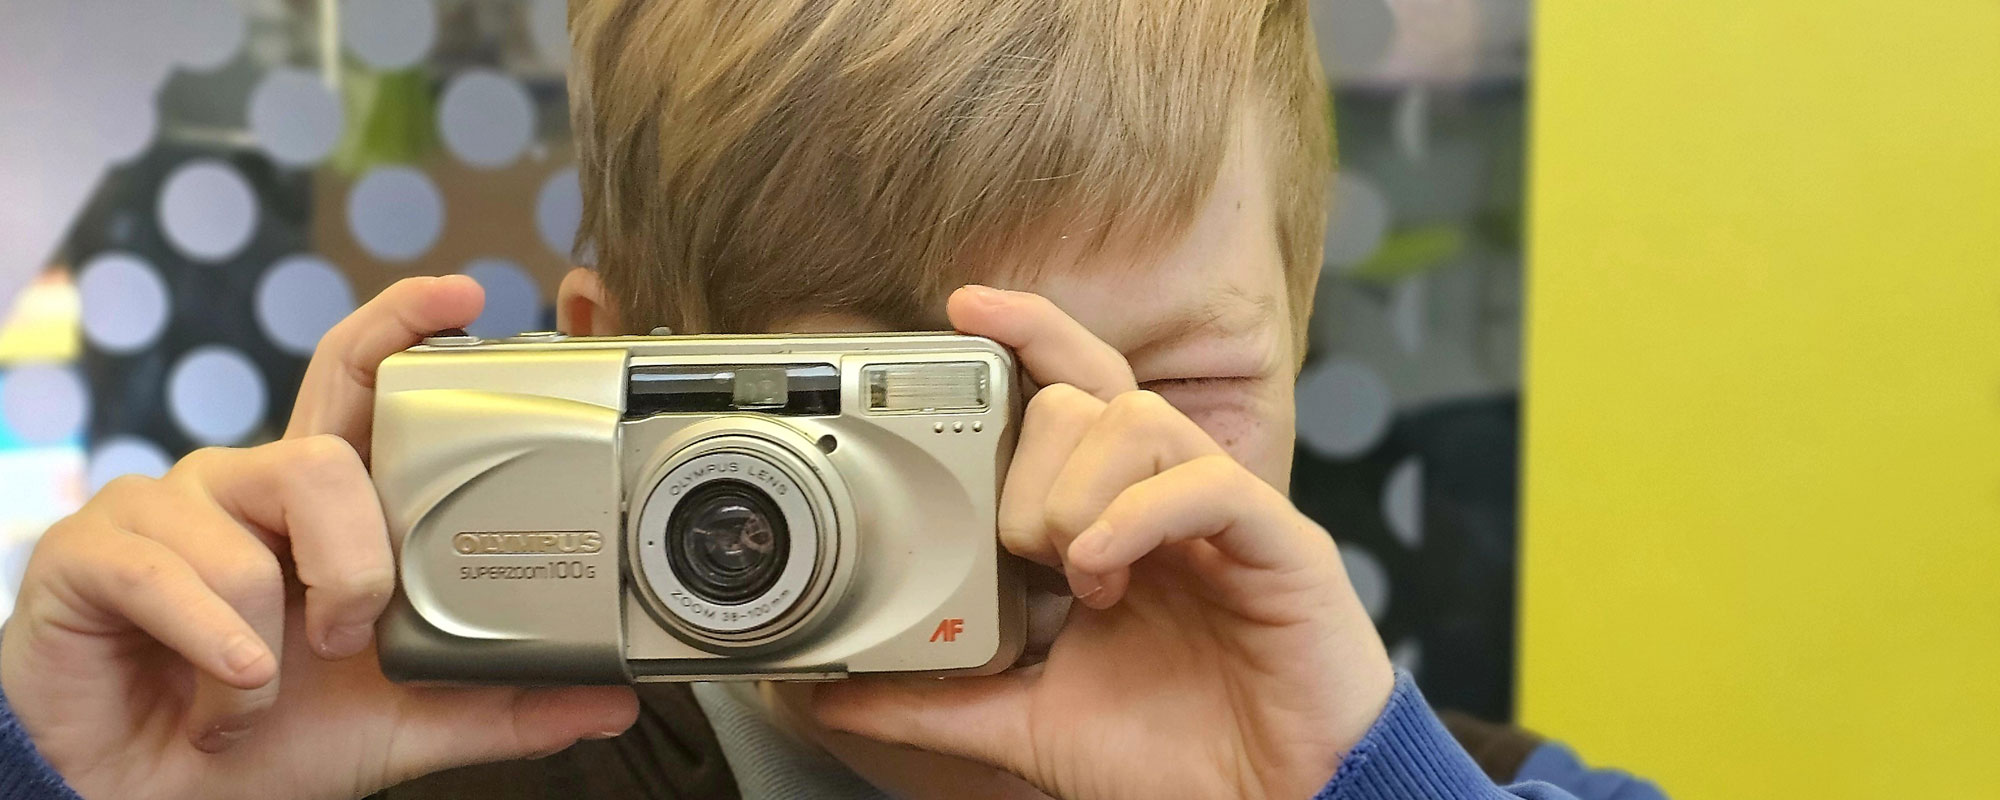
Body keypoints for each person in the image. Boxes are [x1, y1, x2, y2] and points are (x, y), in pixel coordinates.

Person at [0, 1, 1664, 798]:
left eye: (1174, 390)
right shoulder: (384, 781)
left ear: (1295, 341)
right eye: (894, 412)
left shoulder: (1431, 779)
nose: (1051, 518)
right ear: (612, 376)